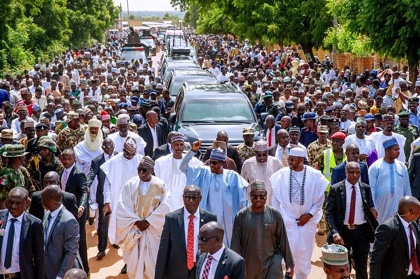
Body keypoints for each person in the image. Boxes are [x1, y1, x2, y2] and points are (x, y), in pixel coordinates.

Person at [270, 147, 329, 279]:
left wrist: (309, 215)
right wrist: (280, 216)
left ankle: (302, 276)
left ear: (301, 159)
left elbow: (320, 199)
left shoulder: (315, 175)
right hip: (288, 220)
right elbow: (275, 197)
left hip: (307, 222)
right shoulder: (281, 174)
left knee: (305, 251)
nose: (289, 161)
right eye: (289, 159)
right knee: (288, 250)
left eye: (292, 159)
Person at [180, 141, 248, 247]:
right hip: (208, 220)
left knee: (227, 248)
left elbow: (243, 200)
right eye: (210, 162)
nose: (211, 165)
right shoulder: (204, 173)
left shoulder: (232, 176)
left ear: (223, 163)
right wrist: (192, 151)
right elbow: (183, 167)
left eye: (215, 163)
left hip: (227, 221)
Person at [115, 156, 170, 279]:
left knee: (152, 266)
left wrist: (150, 221)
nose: (141, 172)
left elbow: (165, 207)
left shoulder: (160, 185)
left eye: (144, 170)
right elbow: (122, 206)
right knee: (134, 265)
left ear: (151, 170)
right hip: (134, 228)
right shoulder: (130, 184)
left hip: (153, 231)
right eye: (139, 169)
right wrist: (136, 221)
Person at [231, 181, 294, 279]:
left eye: (262, 196)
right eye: (255, 197)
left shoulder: (275, 215)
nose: (258, 199)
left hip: (271, 263)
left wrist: (289, 264)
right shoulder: (241, 216)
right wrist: (233, 267)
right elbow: (235, 244)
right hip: (249, 265)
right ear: (250, 196)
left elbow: (283, 240)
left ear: (266, 196)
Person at [325, 162, 378, 279]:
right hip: (342, 232)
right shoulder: (336, 189)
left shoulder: (366, 188)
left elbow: (368, 207)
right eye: (351, 172)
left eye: (357, 173)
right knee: (342, 267)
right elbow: (329, 213)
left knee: (362, 266)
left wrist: (372, 211)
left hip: (361, 232)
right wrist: (335, 233)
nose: (355, 175)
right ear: (345, 173)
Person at [155, 185, 217, 279]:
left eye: (194, 197)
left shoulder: (210, 219)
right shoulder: (172, 219)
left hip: (202, 272)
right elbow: (163, 251)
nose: (191, 200)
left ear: (200, 198)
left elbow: (215, 249)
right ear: (183, 198)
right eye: (188, 197)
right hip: (176, 273)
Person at [100, 137, 143, 248]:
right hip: (118, 200)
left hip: (135, 201)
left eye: (132, 154)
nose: (130, 157)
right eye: (127, 154)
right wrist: (107, 202)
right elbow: (107, 184)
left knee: (134, 229)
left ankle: (128, 261)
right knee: (119, 228)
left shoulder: (140, 160)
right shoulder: (114, 161)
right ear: (123, 150)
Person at [370, 196, 420, 279]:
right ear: (411, 212)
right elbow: (376, 259)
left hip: (413, 275)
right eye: (419, 211)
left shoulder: (413, 225)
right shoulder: (387, 228)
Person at [0, 187, 44, 279]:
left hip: (20, 276)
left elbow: (39, 257)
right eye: (11, 202)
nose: (14, 206)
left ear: (26, 203)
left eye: (18, 203)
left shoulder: (34, 224)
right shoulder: (0, 217)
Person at [154, 133, 203, 211]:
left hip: (185, 199)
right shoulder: (161, 162)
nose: (179, 147)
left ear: (184, 146)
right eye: (176, 145)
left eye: (181, 144)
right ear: (171, 146)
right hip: (168, 200)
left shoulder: (193, 161)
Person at [86, 138, 117, 259]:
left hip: (117, 195)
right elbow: (92, 174)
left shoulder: (119, 158)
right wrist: (87, 185)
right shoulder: (97, 161)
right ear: (102, 147)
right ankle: (102, 249)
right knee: (103, 224)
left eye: (110, 147)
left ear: (114, 146)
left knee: (117, 221)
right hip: (103, 197)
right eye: (106, 147)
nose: (108, 149)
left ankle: (115, 241)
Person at [369, 137, 411, 224]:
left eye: (399, 149)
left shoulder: (402, 166)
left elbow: (407, 189)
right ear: (387, 150)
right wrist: (372, 207)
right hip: (380, 207)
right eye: (396, 149)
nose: (398, 151)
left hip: (398, 207)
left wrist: (409, 206)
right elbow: (371, 189)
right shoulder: (375, 167)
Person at [60, 149, 89, 275]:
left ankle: (85, 270)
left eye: (69, 159)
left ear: (74, 160)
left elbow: (84, 192)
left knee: (80, 242)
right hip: (65, 212)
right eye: (64, 159)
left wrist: (82, 206)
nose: (66, 161)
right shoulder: (62, 171)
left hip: (77, 214)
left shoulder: (78, 174)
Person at [42, 185, 81, 279]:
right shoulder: (47, 214)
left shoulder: (69, 221)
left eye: (41, 198)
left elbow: (71, 252)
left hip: (61, 272)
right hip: (48, 270)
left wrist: (61, 276)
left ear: (48, 199)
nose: (40, 201)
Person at [241, 140, 282, 205]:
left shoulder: (276, 162)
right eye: (259, 155)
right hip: (254, 201)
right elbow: (242, 185)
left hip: (272, 200)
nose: (261, 157)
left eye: (264, 155)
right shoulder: (247, 164)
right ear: (255, 153)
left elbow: (281, 183)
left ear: (267, 152)